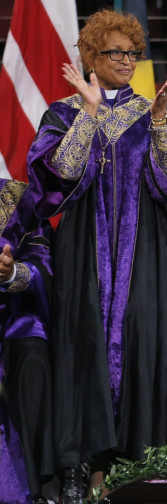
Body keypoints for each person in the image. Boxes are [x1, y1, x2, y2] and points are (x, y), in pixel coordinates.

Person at [26, 8, 167, 497]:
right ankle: (81, 464)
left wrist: (163, 121)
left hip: (144, 249)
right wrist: (87, 112)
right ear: (89, 55)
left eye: (133, 53)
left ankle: (138, 463)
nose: (126, 60)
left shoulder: (149, 111)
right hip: (85, 250)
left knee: (145, 341)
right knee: (84, 346)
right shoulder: (62, 111)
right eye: (115, 52)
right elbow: (56, 175)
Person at [0, 179, 54, 504]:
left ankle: (33, 482)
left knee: (33, 348)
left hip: (9, 319)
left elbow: (43, 265)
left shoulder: (19, 199)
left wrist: (11, 275)